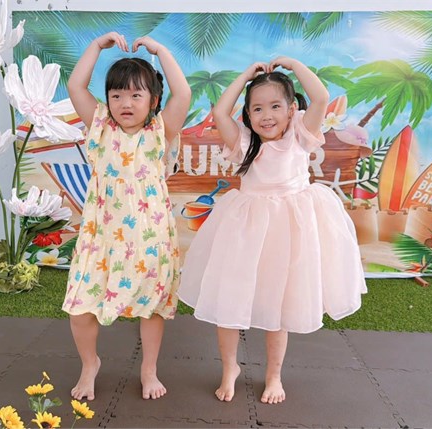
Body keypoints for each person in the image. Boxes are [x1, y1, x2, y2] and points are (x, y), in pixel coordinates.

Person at [178, 57, 366, 404]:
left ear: (292, 110)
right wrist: (245, 76)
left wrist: (294, 66)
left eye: (276, 106)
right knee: (229, 301)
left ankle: (274, 375)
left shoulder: (300, 135)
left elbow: (321, 97)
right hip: (245, 229)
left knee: (279, 306)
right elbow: (220, 112)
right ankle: (230, 368)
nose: (267, 115)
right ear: (248, 115)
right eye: (257, 108)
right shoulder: (244, 143)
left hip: (287, 230)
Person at [63, 31, 191, 401]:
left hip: (149, 239)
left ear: (153, 100)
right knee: (80, 308)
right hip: (99, 239)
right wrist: (95, 47)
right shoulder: (100, 125)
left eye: (136, 95)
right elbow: (75, 85)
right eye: (116, 95)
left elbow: (183, 93)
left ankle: (149, 369)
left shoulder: (160, 130)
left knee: (151, 308)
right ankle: (90, 363)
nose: (125, 103)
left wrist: (160, 50)